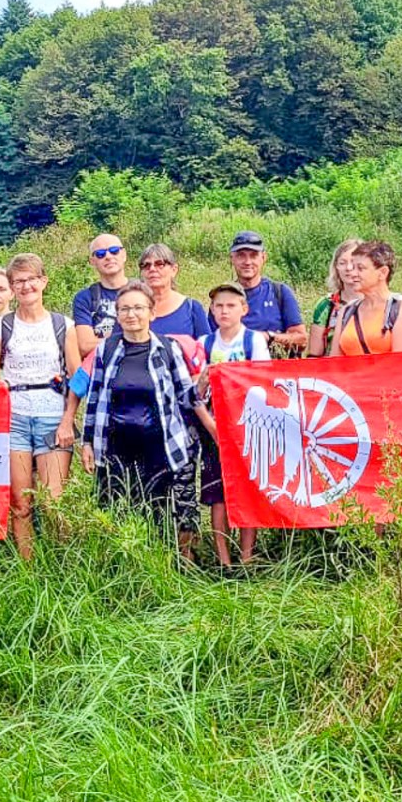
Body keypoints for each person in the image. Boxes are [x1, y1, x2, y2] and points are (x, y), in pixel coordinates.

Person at [78, 283, 218, 561]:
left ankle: (163, 568)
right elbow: (94, 398)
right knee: (115, 513)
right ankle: (122, 568)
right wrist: (87, 443)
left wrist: (201, 386)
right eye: (124, 309)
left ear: (152, 313)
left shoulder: (168, 348)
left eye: (138, 308)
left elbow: (185, 397)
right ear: (117, 315)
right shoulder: (107, 349)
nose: (131, 314)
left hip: (159, 449)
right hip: (115, 449)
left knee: (160, 514)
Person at [0, 253, 81, 560]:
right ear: (12, 287)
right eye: (19, 281)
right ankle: (28, 568)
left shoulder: (63, 325)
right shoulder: (1, 326)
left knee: (54, 501)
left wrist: (68, 420)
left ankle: (61, 564)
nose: (26, 286)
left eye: (31, 279)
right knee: (20, 502)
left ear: (43, 282)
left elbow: (77, 377)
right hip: (14, 418)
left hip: (53, 417)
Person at [199, 282, 271, 566]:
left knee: (247, 490)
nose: (224, 311)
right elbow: (196, 394)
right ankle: (223, 560)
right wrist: (203, 381)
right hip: (214, 428)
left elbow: (264, 382)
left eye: (231, 305)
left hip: (248, 427)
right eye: (218, 306)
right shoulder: (205, 343)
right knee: (218, 494)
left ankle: (247, 558)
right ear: (212, 310)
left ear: (244, 309)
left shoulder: (254, 341)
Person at [332, 242, 402, 357]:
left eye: (360, 268)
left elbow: (400, 361)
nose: (353, 273)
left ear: (383, 273)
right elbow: (334, 360)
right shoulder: (347, 311)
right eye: (353, 267)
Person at [229, 231, 305, 352]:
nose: (247, 262)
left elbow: (301, 340)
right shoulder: (224, 297)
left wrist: (268, 337)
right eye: (241, 255)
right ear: (232, 259)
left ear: (263, 258)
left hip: (275, 363)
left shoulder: (280, 292)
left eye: (253, 255)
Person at [72, 233, 130, 358]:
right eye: (100, 254)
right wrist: (130, 340)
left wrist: (104, 340)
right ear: (92, 261)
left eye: (114, 251)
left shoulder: (142, 291)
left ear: (124, 255)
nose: (108, 257)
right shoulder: (84, 298)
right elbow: (85, 346)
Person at [136, 244, 211, 339]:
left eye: (160, 264)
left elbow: (206, 345)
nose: (152, 269)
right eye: (146, 265)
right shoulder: (130, 309)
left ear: (174, 270)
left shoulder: (191, 308)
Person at [307, 239, 360, 357]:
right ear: (336, 267)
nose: (348, 268)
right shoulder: (326, 305)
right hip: (332, 366)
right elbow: (314, 355)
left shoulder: (378, 303)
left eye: (354, 262)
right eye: (342, 263)